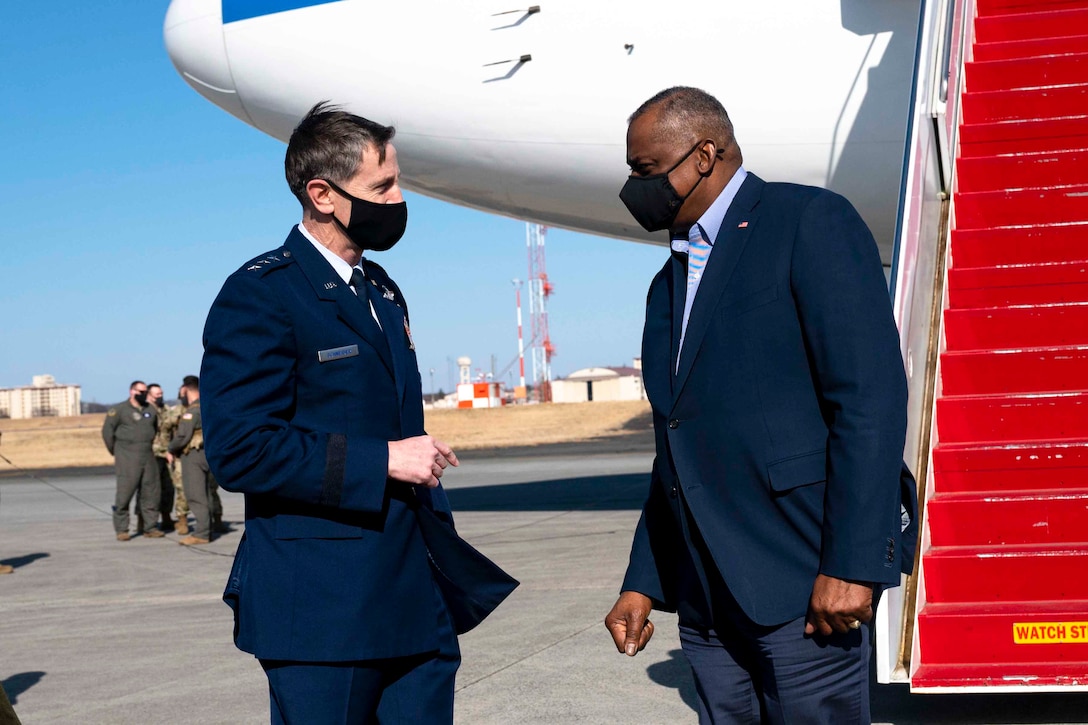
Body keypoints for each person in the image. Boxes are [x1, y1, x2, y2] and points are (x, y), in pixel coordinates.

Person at [604, 87, 917, 724]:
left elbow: (869, 401)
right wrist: (645, 578)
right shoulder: (668, 283)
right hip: (708, 601)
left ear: (704, 154)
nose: (635, 187)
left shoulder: (807, 222)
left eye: (644, 169)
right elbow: (678, 443)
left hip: (803, 584)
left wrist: (854, 563)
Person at [201, 102, 465, 723]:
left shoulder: (380, 290)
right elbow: (240, 448)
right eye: (383, 186)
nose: (399, 198)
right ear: (322, 193)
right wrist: (386, 460)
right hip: (324, 610)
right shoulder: (262, 293)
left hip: (413, 595)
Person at [101, 381, 163, 541]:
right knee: (125, 493)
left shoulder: (150, 409)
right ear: (131, 391)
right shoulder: (119, 410)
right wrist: (116, 451)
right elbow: (107, 432)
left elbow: (154, 429)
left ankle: (150, 527)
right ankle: (122, 529)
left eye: (145, 391)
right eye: (140, 391)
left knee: (151, 492)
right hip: (127, 456)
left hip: (147, 455)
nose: (143, 394)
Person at [168, 376, 212, 545]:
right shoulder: (208, 406)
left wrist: (171, 449)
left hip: (193, 455)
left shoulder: (191, 411)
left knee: (195, 495)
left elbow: (182, 436)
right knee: (206, 493)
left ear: (186, 390)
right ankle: (209, 526)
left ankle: (201, 533)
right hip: (207, 453)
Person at [147, 383, 177, 532]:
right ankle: (145, 520)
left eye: (161, 394)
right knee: (151, 490)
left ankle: (166, 516)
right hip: (152, 454)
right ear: (149, 395)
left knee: (168, 488)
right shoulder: (145, 410)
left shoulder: (166, 410)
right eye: (157, 394)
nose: (160, 396)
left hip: (167, 454)